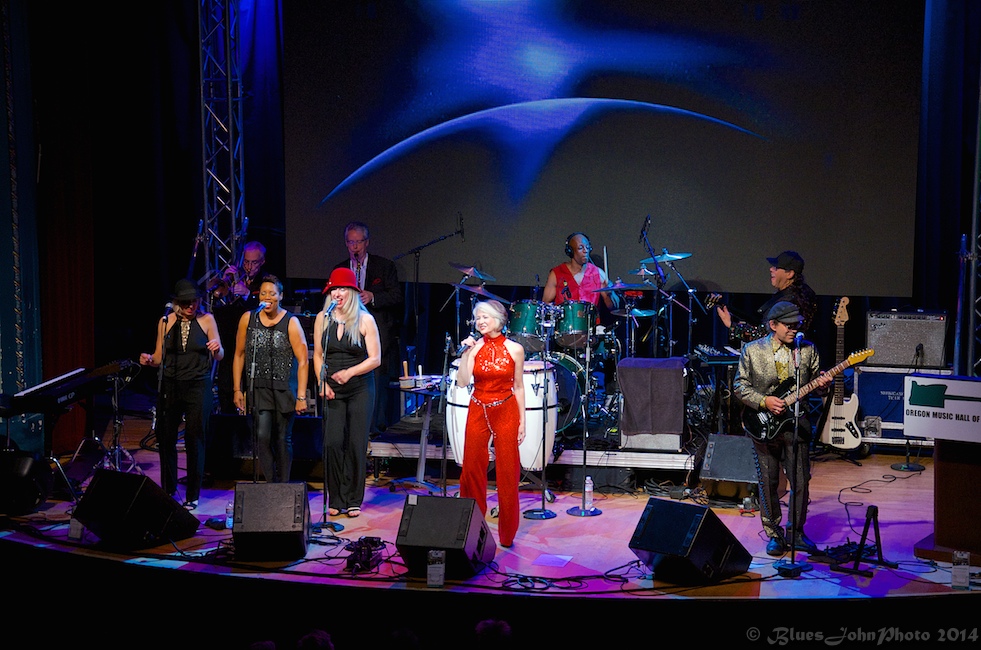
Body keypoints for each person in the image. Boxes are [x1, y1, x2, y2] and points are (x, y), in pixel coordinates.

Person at [733, 301, 831, 557]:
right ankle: (774, 533)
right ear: (772, 325)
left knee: (801, 480)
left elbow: (813, 386)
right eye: (788, 325)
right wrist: (764, 401)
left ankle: (796, 532)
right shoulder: (752, 351)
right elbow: (740, 387)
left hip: (796, 423)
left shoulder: (807, 350)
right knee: (768, 480)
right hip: (763, 425)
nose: (793, 329)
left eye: (796, 324)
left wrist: (822, 386)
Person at [139, 278, 223, 510]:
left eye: (194, 301)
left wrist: (217, 348)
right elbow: (158, 357)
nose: (191, 306)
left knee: (194, 438)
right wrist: (148, 359)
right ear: (176, 302)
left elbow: (220, 354)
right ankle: (168, 490)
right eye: (187, 302)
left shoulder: (207, 320)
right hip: (171, 386)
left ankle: (193, 495)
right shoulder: (166, 322)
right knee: (165, 438)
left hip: (198, 385)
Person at [455, 299, 525, 548]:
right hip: (478, 407)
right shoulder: (474, 348)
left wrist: (522, 420)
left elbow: (518, 386)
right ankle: (470, 527)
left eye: (486, 317)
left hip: (505, 408)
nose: (481, 322)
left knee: (507, 471)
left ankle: (507, 533)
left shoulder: (515, 349)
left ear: (499, 319)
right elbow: (463, 382)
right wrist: (465, 353)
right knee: (472, 468)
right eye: (478, 318)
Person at [314, 267, 381, 517]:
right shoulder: (324, 317)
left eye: (342, 289)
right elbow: (318, 355)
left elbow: (375, 359)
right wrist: (322, 382)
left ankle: (353, 498)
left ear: (352, 291)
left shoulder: (365, 320)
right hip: (332, 389)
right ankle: (336, 497)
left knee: (355, 443)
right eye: (333, 289)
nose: (337, 293)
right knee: (332, 443)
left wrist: (350, 372)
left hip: (360, 388)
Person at [232, 274, 309, 483]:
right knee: (262, 437)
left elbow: (303, 361)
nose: (268, 297)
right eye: (264, 293)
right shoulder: (249, 319)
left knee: (283, 439)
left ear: (281, 296)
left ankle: (283, 487)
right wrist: (237, 389)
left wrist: (301, 396)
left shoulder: (291, 322)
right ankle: (270, 483)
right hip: (258, 388)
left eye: (272, 293)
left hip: (284, 388)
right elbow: (239, 354)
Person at [332, 221, 403, 433]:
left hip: (378, 330)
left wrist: (372, 296)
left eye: (358, 242)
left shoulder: (384, 266)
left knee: (377, 377)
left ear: (367, 242)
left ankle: (376, 425)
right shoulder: (340, 269)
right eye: (350, 242)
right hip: (348, 332)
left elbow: (396, 296)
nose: (354, 247)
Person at [215, 241, 271, 414]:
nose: (249, 266)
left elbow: (267, 308)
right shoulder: (236, 276)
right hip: (230, 342)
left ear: (262, 262)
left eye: (254, 262)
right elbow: (220, 307)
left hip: (253, 344)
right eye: (246, 262)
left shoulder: (267, 281)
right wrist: (225, 282)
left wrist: (247, 295)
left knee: (251, 391)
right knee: (226, 388)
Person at [717, 250, 817, 345]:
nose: (771, 269)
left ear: (790, 274)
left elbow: (764, 337)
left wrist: (731, 325)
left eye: (776, 267)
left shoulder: (787, 302)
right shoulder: (801, 293)